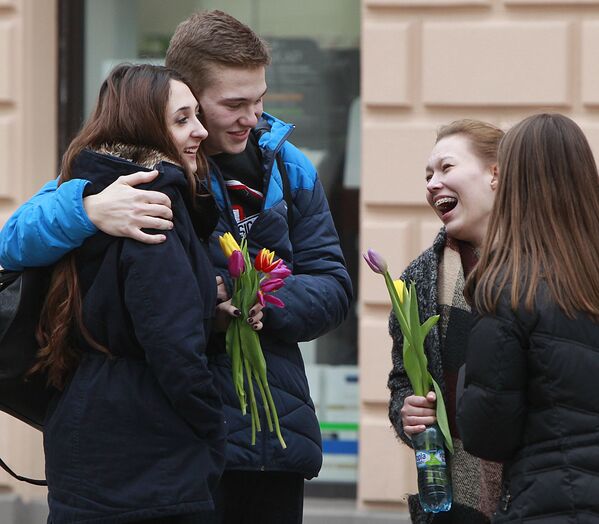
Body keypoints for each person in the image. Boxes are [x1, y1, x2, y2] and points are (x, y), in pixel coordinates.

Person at [0, 10, 352, 524]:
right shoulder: (131, 171)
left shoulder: (288, 164)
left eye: (260, 100)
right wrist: (88, 210)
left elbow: (332, 283)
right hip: (176, 438)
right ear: (185, 94)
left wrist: (263, 301)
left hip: (271, 437)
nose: (253, 118)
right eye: (234, 104)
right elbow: (12, 242)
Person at [34, 63, 228, 523]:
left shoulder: (87, 191)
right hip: (146, 454)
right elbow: (171, 341)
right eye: (182, 119)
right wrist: (211, 423)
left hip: (88, 432)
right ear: (145, 126)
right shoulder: (152, 201)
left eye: (197, 115)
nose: (201, 131)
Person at [456, 113, 599, 521]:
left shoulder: (510, 288)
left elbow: (487, 433)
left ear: (512, 185)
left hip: (552, 501)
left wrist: (466, 377)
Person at [387, 119, 504, 523]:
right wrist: (407, 412)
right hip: (452, 504)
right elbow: (402, 380)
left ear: (495, 173)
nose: (433, 183)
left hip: (539, 494)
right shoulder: (417, 280)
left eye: (447, 168)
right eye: (428, 175)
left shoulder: (547, 270)